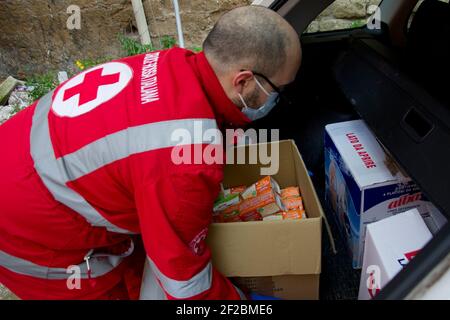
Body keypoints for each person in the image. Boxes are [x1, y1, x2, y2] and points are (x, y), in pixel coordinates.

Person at [0, 5, 301, 300]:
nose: (278, 99)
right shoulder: (186, 162)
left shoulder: (173, 63)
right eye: (278, 90)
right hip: (25, 232)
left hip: (19, 159)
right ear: (243, 80)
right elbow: (185, 284)